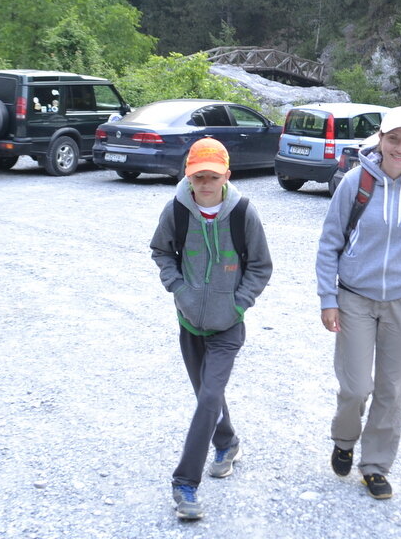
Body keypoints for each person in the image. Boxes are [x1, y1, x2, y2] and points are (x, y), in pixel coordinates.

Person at [315, 106, 401, 500]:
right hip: (355, 298)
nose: (399, 147)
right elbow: (329, 243)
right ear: (380, 138)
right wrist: (328, 297)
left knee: (392, 390)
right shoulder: (356, 182)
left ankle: (375, 466)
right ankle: (344, 439)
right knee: (357, 386)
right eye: (393, 138)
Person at [150, 137, 274, 520]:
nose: (205, 184)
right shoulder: (177, 210)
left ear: (227, 176)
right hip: (190, 323)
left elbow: (261, 266)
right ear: (188, 177)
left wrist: (238, 304)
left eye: (212, 177)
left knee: (207, 399)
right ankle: (228, 442)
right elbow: (160, 252)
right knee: (209, 396)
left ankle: (184, 484)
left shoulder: (243, 213)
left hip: (228, 328)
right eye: (198, 177)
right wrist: (180, 291)